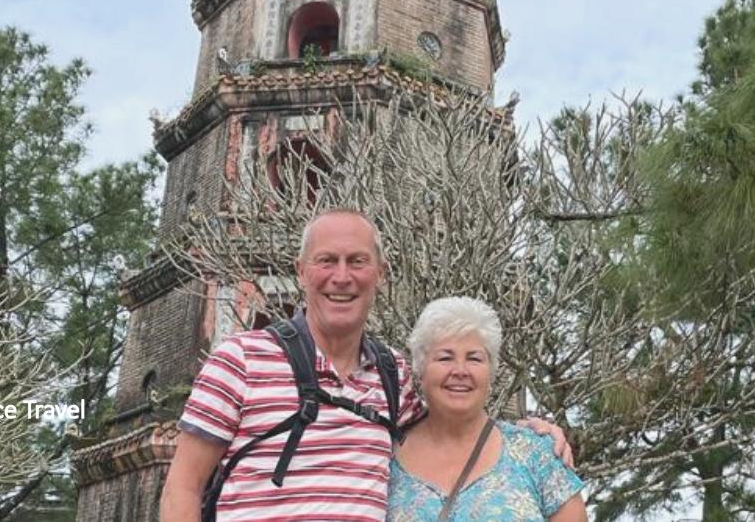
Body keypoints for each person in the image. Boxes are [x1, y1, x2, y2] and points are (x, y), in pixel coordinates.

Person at [159, 209, 572, 522]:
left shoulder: (394, 378)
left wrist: (530, 432)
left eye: (357, 262)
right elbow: (184, 485)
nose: (342, 277)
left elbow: (454, 417)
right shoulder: (240, 359)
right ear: (301, 272)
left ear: (380, 274)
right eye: (327, 261)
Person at [389, 296, 587, 521]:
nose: (460, 371)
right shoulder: (382, 458)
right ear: (420, 369)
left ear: (490, 372)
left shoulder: (537, 454)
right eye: (445, 358)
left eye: (474, 358)